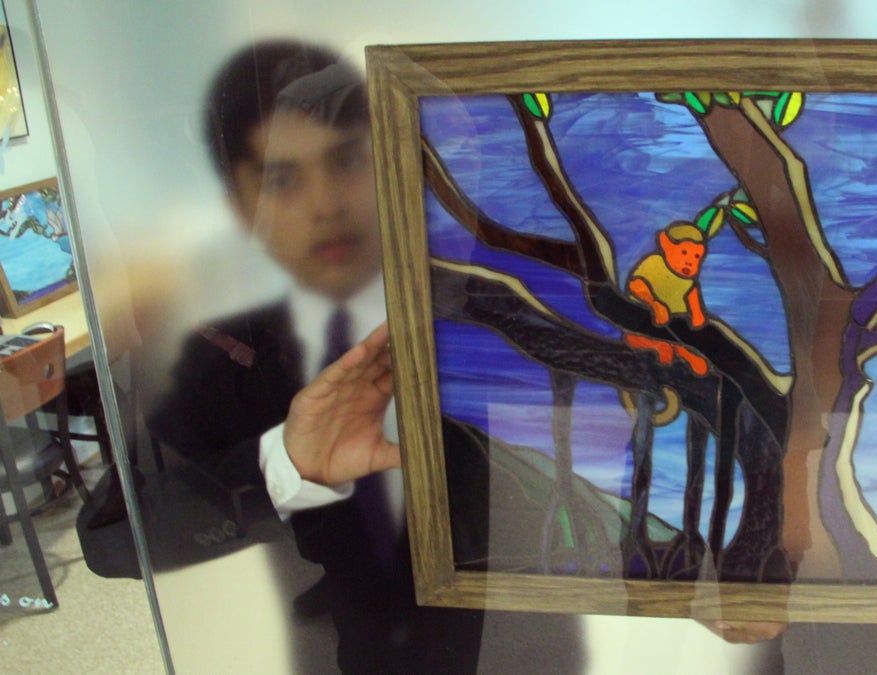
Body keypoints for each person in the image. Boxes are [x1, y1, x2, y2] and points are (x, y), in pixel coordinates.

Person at [147, 40, 584, 672]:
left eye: (348, 161)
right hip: (347, 553)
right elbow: (120, 535)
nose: (326, 203)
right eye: (283, 177)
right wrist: (285, 466)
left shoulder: (460, 278)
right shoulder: (229, 332)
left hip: (463, 536)